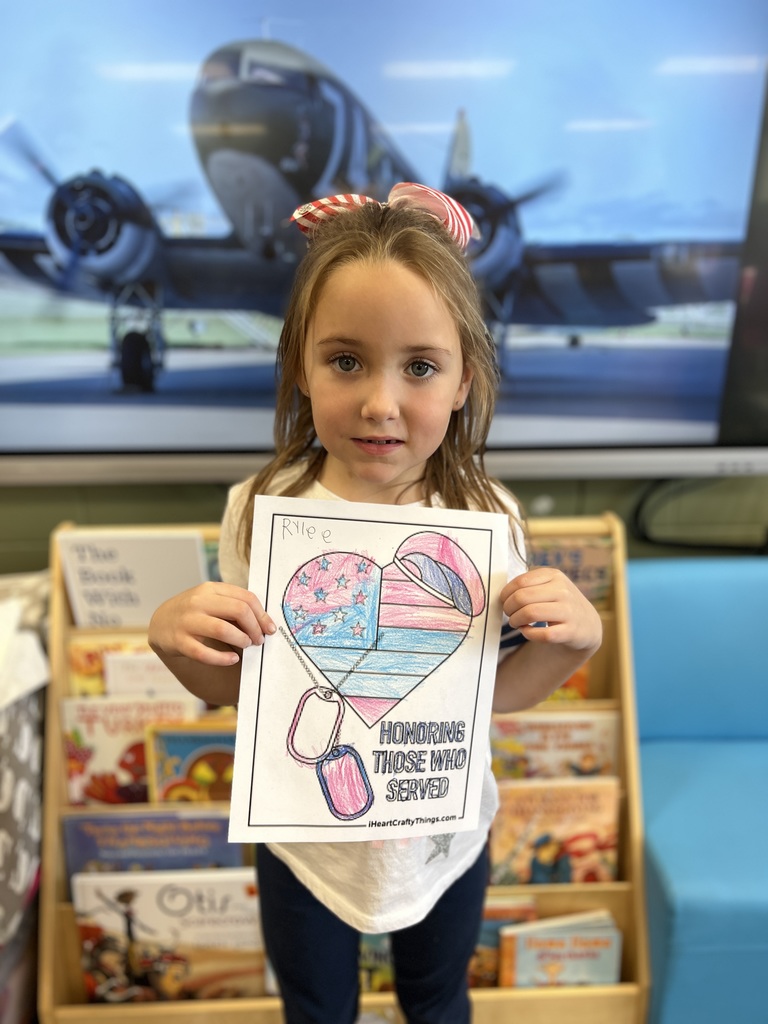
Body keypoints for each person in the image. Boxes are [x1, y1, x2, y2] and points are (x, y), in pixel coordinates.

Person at [148, 181, 602, 1024]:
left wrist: (571, 645)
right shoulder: (261, 506)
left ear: (466, 379)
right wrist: (180, 647)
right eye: (346, 360)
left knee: (436, 999)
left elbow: (487, 696)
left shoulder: (487, 518)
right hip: (304, 837)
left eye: (420, 367)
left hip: (444, 836)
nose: (380, 403)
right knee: (315, 1007)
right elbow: (251, 693)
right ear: (301, 365)